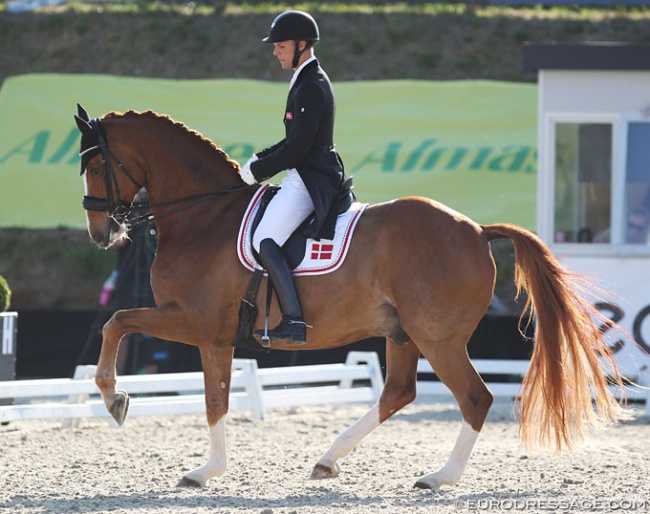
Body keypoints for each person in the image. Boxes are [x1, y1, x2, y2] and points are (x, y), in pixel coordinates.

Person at [238, 10, 350, 346]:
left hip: (310, 176)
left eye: (282, 45)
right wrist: (261, 157)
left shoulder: (312, 86)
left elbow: (299, 148)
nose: (276, 51)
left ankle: (293, 320)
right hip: (305, 169)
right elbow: (292, 140)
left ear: (302, 45)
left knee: (263, 239)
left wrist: (258, 172)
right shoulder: (304, 79)